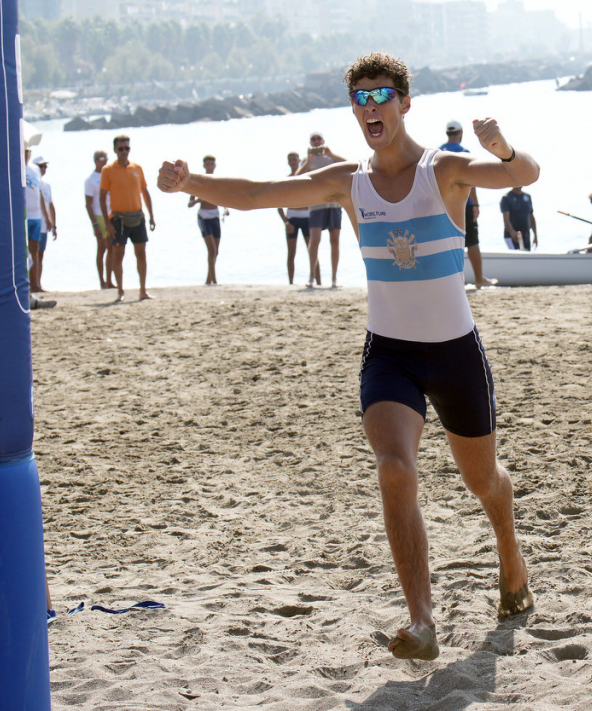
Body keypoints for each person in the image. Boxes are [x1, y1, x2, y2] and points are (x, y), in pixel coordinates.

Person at [157, 52, 538, 661]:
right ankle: (421, 620)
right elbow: (256, 194)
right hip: (390, 355)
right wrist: (190, 184)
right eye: (360, 98)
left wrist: (503, 148)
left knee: (482, 480)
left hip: (455, 354)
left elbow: (525, 175)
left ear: (404, 102)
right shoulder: (348, 182)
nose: (370, 107)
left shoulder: (445, 170)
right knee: (394, 467)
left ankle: (511, 557)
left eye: (381, 95)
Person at [440, 120, 496, 289]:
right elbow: (471, 182)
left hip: (444, 204)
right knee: (472, 242)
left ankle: (449, 282)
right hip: (464, 203)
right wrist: (476, 205)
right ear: (460, 133)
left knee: (447, 243)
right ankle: (479, 279)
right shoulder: (464, 153)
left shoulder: (438, 152)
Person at [100, 134, 156, 302]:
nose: (124, 151)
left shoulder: (137, 168)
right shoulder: (108, 170)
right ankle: (120, 291)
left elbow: (145, 192)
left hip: (137, 217)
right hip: (118, 219)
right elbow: (101, 197)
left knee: (141, 253)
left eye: (127, 148)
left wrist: (152, 215)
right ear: (115, 150)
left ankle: (143, 290)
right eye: (121, 149)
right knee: (118, 254)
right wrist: (107, 223)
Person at [297, 131, 345, 287]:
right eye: (313, 139)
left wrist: (332, 154)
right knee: (315, 240)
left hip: (334, 203)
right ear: (310, 143)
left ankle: (334, 278)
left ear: (323, 141)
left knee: (335, 240)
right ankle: (311, 276)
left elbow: (349, 165)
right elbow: (297, 177)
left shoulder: (331, 158)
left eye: (319, 139)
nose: (316, 141)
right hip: (316, 204)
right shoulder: (307, 160)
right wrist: (308, 161)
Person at [277, 152, 321, 286]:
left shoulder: (306, 179)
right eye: (290, 160)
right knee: (291, 252)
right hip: (292, 218)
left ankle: (318, 281)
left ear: (299, 161)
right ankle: (291, 283)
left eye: (295, 159)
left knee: (312, 251)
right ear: (288, 162)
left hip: (307, 217)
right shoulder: (286, 180)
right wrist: (286, 222)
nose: (293, 162)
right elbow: (278, 204)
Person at [187, 155, 229, 286]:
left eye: (212, 164)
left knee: (216, 251)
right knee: (212, 250)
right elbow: (190, 203)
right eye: (208, 164)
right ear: (204, 166)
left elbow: (224, 199)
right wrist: (198, 200)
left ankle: (208, 279)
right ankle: (214, 281)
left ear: (215, 166)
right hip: (204, 217)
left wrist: (226, 209)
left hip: (215, 216)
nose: (210, 166)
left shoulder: (219, 182)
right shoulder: (199, 182)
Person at [84, 149, 114, 289]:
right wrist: (95, 223)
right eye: (101, 159)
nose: (104, 162)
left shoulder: (110, 175)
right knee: (102, 247)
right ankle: (102, 281)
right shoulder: (90, 180)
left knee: (112, 247)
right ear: (95, 161)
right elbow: (88, 204)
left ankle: (109, 280)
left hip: (111, 214)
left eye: (106, 159)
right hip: (98, 215)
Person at [24, 148, 51, 293]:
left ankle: (35, 284)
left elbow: (40, 193)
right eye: (24, 151)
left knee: (35, 250)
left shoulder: (34, 169)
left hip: (36, 215)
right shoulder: (16, 167)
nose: (26, 154)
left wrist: (46, 216)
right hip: (24, 215)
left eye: (28, 151)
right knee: (24, 251)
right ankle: (25, 284)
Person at [32, 156, 58, 291]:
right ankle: (33, 283)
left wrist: (53, 224)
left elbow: (50, 205)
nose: (43, 169)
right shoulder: (32, 183)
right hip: (36, 222)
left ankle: (38, 283)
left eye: (45, 166)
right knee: (33, 254)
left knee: (40, 255)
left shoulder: (46, 185)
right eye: (40, 166)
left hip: (44, 226)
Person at [500, 186, 537, 251]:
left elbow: (531, 216)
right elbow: (506, 219)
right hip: (512, 235)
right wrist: (512, 232)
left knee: (526, 255)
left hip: (525, 234)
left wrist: (535, 235)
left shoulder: (527, 197)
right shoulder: (506, 198)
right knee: (514, 255)